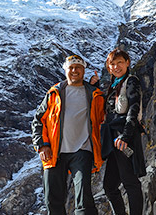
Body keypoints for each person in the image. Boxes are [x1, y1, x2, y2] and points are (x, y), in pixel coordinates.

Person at [31, 54, 105, 215]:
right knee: (52, 199)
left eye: (78, 67)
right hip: (54, 152)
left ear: (84, 70)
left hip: (82, 151)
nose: (74, 70)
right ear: (65, 70)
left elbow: (103, 118)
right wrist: (42, 145)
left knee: (84, 199)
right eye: (71, 67)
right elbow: (38, 120)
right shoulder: (54, 93)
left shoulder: (94, 94)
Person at [96, 48, 146, 215]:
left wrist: (125, 135)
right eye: (112, 64)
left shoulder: (131, 81)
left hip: (124, 138)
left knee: (130, 182)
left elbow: (133, 108)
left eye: (120, 63)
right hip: (114, 139)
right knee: (109, 186)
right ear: (108, 67)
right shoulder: (115, 85)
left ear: (127, 63)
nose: (116, 67)